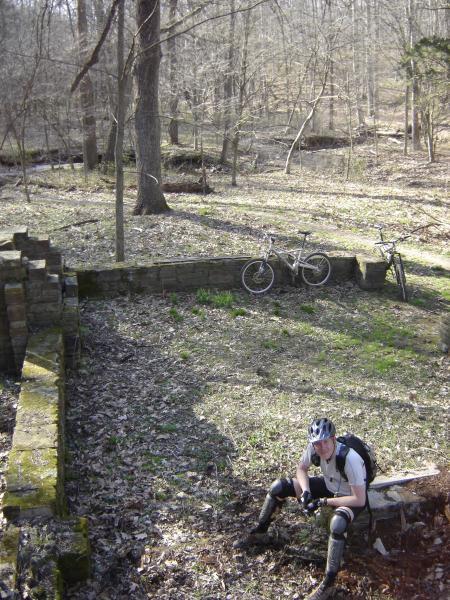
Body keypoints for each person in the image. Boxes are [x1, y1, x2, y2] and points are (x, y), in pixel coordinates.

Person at [249, 417, 367, 600]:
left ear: (333, 439)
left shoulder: (349, 459)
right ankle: (260, 533)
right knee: (278, 487)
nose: (321, 447)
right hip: (330, 486)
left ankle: (329, 582)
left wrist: (324, 502)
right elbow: (301, 469)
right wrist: (305, 492)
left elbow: (359, 499)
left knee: (337, 524)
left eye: (325, 442)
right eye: (317, 444)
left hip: (349, 494)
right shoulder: (314, 448)